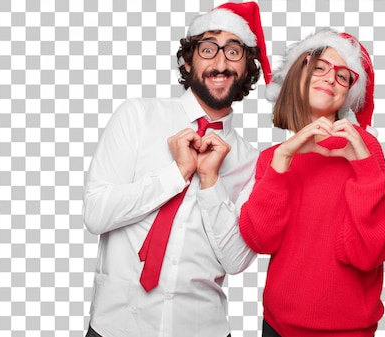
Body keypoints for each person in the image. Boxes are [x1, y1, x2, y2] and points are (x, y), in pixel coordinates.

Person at [82, 2, 272, 336]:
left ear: (247, 67)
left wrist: (210, 181)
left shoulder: (253, 162)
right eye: (208, 48)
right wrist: (177, 173)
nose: (220, 62)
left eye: (234, 51)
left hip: (202, 327)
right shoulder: (137, 116)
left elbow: (237, 261)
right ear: (188, 59)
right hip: (117, 326)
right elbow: (96, 214)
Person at [239, 28, 385, 337]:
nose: (329, 78)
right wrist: (282, 161)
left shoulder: (363, 149)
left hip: (346, 331)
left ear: (347, 93)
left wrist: (364, 168)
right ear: (297, 74)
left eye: (342, 76)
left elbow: (368, 253)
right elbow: (260, 240)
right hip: (277, 327)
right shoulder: (274, 157)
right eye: (319, 67)